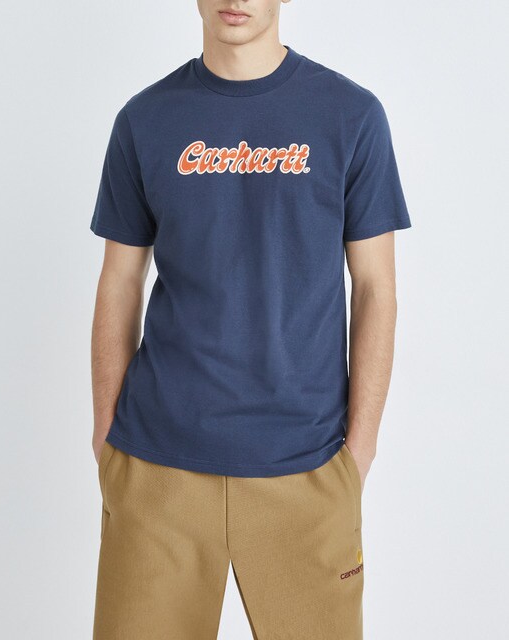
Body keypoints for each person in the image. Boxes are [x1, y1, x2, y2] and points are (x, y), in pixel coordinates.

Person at [89, 1, 412, 638]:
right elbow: (120, 281)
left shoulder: (351, 115)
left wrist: (359, 453)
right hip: (158, 468)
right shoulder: (145, 119)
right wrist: (106, 439)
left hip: (307, 466)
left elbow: (377, 288)